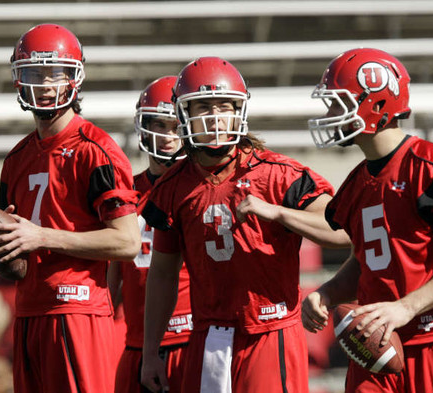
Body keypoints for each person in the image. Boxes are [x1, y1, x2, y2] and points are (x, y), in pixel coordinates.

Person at [140, 57, 350, 393]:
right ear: (184, 115)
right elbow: (163, 273)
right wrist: (151, 352)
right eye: (203, 107)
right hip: (208, 334)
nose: (215, 117)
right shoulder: (172, 187)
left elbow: (344, 232)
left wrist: (279, 214)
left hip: (270, 331)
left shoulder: (278, 174)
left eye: (224, 107)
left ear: (240, 111)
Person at [302, 48, 433, 393]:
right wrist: (327, 293)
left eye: (337, 104)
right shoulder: (357, 183)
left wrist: (406, 307)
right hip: (374, 348)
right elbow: (367, 262)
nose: (329, 114)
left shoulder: (432, 168)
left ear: (373, 104)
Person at [0, 24, 140, 393]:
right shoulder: (16, 158)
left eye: (55, 73)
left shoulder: (96, 150)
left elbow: (127, 242)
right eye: (34, 73)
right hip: (28, 311)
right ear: (18, 79)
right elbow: (18, 243)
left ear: (75, 79)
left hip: (76, 311)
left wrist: (40, 236)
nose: (45, 84)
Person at [108, 76, 192, 393]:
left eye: (176, 126)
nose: (169, 137)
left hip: (191, 338)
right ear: (143, 126)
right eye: (159, 125)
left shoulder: (201, 190)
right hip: (137, 343)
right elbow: (111, 278)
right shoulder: (124, 193)